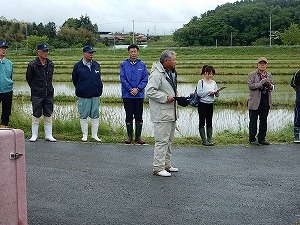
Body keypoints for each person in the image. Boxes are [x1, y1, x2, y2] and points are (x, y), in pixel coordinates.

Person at [146, 50, 179, 177]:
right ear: (166, 61)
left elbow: (168, 88)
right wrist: (166, 97)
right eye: (174, 59)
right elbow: (149, 91)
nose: (176, 62)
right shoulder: (157, 74)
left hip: (171, 112)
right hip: (161, 113)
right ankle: (158, 167)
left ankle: (166, 164)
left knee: (169, 140)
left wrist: (175, 94)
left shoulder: (170, 73)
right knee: (161, 141)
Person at [72, 45, 103, 142]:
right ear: (84, 53)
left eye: (92, 53)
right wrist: (82, 88)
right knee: (83, 115)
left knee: (95, 114)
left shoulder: (96, 65)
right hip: (83, 95)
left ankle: (94, 135)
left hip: (95, 94)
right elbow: (75, 80)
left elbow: (98, 78)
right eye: (89, 53)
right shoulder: (78, 66)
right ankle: (85, 135)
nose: (91, 55)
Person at [26, 43, 56, 142]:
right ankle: (34, 135)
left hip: (48, 93)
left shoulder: (50, 64)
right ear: (38, 52)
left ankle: (49, 135)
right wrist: (36, 88)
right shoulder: (32, 65)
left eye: (47, 51)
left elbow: (50, 79)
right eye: (43, 51)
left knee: (48, 113)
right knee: (36, 113)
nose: (46, 53)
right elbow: (29, 79)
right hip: (37, 94)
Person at [120, 44, 148, 144]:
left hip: (139, 95)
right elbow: (123, 78)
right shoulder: (123, 64)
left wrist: (138, 89)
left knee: (139, 116)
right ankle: (129, 137)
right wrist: (130, 89)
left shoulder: (142, 65)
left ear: (138, 52)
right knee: (128, 115)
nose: (133, 53)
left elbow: (145, 79)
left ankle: (138, 137)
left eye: (135, 51)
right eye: (131, 52)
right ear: (128, 53)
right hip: (127, 95)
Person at [247, 57, 274, 145]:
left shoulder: (269, 75)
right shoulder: (252, 74)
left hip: (265, 100)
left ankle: (262, 139)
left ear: (266, 65)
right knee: (253, 120)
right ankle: (252, 139)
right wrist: (261, 84)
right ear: (257, 65)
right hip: (254, 101)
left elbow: (273, 87)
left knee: (263, 120)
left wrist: (269, 86)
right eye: (261, 63)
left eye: (264, 64)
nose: (262, 65)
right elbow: (251, 86)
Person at [197, 65, 220, 146]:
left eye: (212, 74)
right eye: (209, 74)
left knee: (209, 121)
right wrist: (208, 92)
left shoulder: (214, 83)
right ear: (205, 73)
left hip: (211, 103)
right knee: (202, 121)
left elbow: (217, 95)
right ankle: (204, 140)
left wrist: (216, 92)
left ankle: (209, 139)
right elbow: (199, 93)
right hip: (202, 104)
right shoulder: (201, 82)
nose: (211, 75)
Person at [0, 41, 13, 128]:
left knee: (6, 110)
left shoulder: (10, 63)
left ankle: (4, 126)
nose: (4, 50)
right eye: (1, 48)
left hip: (7, 90)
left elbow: (10, 76)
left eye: (5, 49)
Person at [291, 69, 300, 143]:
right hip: (299, 100)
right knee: (298, 117)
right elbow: (293, 84)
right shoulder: (298, 73)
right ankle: (296, 136)